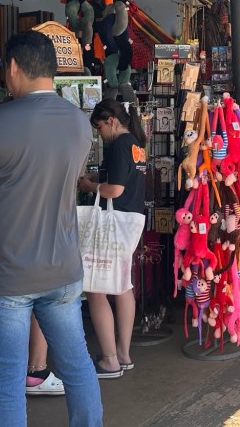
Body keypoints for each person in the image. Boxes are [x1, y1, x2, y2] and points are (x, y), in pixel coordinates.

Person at [0, 31, 102, 427]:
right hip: (63, 269)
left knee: (5, 383)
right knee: (77, 367)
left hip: (6, 273)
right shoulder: (80, 123)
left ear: (13, 67)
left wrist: (4, 218)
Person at [78, 98, 147, 378]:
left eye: (99, 127)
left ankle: (109, 360)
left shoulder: (119, 145)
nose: (99, 134)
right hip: (130, 220)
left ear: (111, 121)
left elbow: (115, 189)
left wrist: (90, 185)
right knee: (123, 286)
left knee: (96, 288)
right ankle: (123, 353)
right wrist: (97, 177)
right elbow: (125, 178)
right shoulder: (136, 143)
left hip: (113, 222)